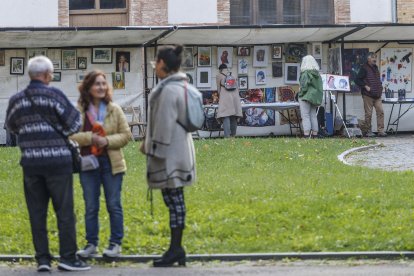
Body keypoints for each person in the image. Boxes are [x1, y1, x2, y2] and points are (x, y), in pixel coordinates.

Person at [5, 56, 90, 272]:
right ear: (46, 75)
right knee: (64, 212)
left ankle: (43, 260)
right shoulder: (55, 96)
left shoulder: (17, 100)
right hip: (58, 164)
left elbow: (11, 126)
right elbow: (75, 124)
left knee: (37, 213)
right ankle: (68, 258)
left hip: (31, 164)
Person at [140, 45, 196, 267]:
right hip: (181, 149)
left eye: (156, 61)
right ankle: (176, 248)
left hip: (169, 153)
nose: (155, 65)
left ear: (162, 63)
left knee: (174, 201)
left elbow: (163, 125)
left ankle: (176, 249)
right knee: (176, 200)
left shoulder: (167, 90)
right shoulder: (183, 86)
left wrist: (150, 148)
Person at [70, 70, 132, 259]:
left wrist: (107, 141)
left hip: (111, 163)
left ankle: (115, 244)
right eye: (97, 84)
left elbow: (126, 135)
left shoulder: (114, 109)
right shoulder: (78, 110)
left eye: (104, 84)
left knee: (114, 204)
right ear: (88, 87)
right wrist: (91, 138)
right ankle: (91, 244)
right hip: (88, 163)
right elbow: (71, 134)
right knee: (91, 205)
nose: (101, 87)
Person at [355, 52, 387, 137]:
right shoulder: (364, 68)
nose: (375, 59)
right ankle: (368, 131)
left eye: (375, 57)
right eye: (373, 57)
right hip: (368, 95)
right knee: (368, 114)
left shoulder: (376, 68)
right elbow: (357, 80)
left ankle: (381, 131)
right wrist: (365, 86)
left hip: (377, 95)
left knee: (380, 112)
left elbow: (377, 79)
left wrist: (380, 87)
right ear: (368, 59)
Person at [298, 55, 323, 138]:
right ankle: (315, 134)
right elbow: (320, 87)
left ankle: (306, 134)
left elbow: (303, 87)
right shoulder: (317, 74)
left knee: (305, 115)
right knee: (313, 115)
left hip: (305, 96)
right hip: (314, 97)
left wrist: (300, 93)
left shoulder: (305, 73)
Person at [216, 64, 243, 137]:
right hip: (235, 97)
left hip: (225, 98)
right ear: (226, 69)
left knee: (225, 116)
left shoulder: (219, 76)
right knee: (234, 116)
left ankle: (227, 136)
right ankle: (233, 135)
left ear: (220, 70)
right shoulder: (233, 75)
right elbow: (238, 87)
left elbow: (218, 90)